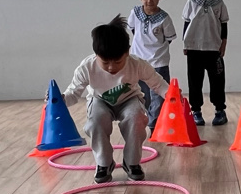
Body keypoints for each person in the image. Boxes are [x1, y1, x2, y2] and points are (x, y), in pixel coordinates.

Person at [61, 16, 170, 184]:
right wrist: (59, 99)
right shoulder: (86, 67)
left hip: (130, 99)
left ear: (127, 52)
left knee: (136, 118)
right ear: (96, 55)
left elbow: (157, 83)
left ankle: (132, 163)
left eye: (118, 62)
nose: (111, 67)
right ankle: (104, 164)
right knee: (95, 121)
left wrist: (172, 96)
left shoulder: (137, 64)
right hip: (100, 101)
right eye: (105, 62)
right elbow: (73, 93)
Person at [127, 0, 176, 133]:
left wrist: (156, 50)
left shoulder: (164, 18)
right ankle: (144, 120)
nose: (149, 1)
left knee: (159, 95)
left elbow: (169, 38)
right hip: (138, 62)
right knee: (142, 94)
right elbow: (133, 30)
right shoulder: (135, 13)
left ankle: (155, 125)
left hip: (159, 62)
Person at [181, 0, 229, 126]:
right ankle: (196, 111)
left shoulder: (219, 3)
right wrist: (186, 43)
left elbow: (224, 25)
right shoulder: (191, 2)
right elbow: (186, 24)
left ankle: (220, 110)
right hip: (194, 49)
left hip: (214, 49)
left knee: (217, 81)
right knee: (194, 81)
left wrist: (223, 44)